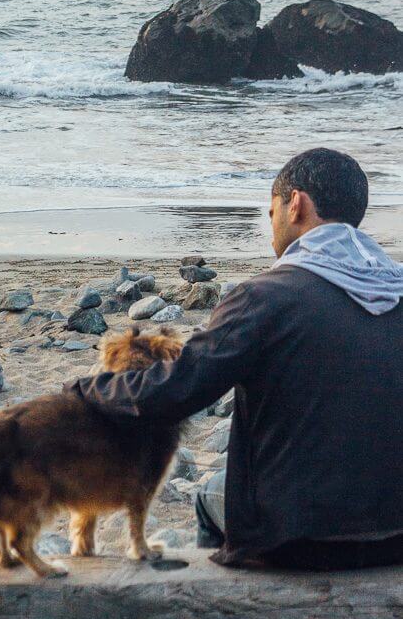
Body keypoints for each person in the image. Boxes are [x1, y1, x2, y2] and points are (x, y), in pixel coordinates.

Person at [65, 147, 403, 570]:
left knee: (211, 498)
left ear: (295, 203)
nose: (271, 227)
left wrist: (84, 389)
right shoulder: (397, 289)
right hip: (395, 534)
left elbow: (175, 391)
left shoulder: (264, 298)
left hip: (297, 538)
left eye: (271, 211)